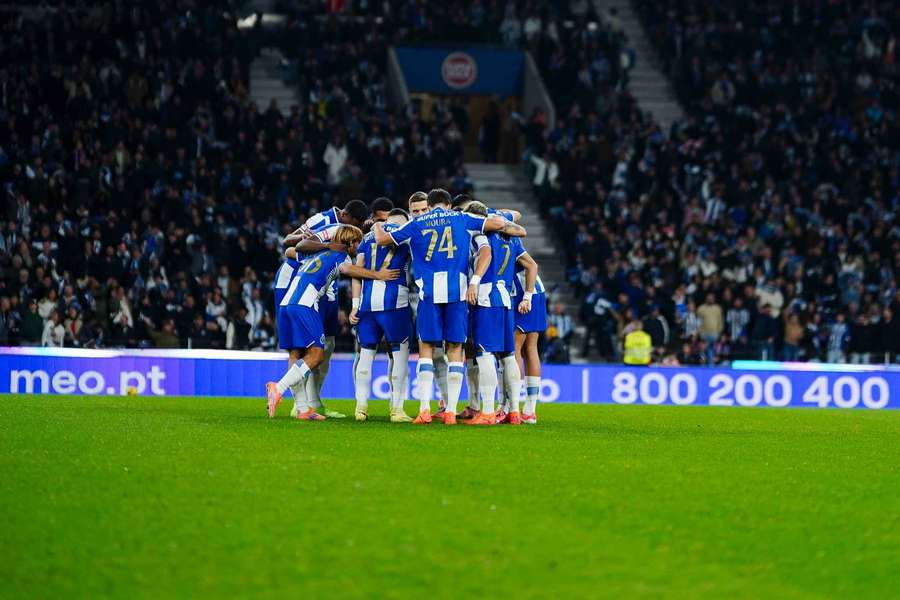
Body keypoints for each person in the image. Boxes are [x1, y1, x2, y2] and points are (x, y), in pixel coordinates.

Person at [373, 188, 526, 425]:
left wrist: (377, 224)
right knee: (456, 349)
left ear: (431, 204)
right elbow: (497, 224)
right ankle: (451, 412)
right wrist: (504, 219)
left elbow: (382, 239)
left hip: (429, 294)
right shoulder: (463, 218)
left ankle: (424, 410)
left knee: (426, 348)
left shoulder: (416, 223)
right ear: (447, 204)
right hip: (459, 292)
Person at [265, 226, 400, 420]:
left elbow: (289, 251)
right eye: (358, 243)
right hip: (305, 305)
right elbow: (349, 269)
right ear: (351, 243)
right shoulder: (341, 257)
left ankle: (303, 409)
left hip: (287, 304)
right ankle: (278, 388)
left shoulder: (315, 254)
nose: (358, 248)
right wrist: (378, 275)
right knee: (316, 355)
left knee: (297, 353)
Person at [348, 209, 414, 423]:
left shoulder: (367, 238)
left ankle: (361, 407)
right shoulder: (407, 235)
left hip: (367, 305)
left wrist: (355, 305)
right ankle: (397, 409)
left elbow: (356, 271)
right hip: (395, 303)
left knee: (366, 355)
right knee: (399, 353)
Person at [461, 201, 523, 425]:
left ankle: (487, 411)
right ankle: (514, 411)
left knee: (485, 354)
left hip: (486, 298)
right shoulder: (510, 239)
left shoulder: (481, 238)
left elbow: (484, 259)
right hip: (506, 298)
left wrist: (474, 282)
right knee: (508, 356)